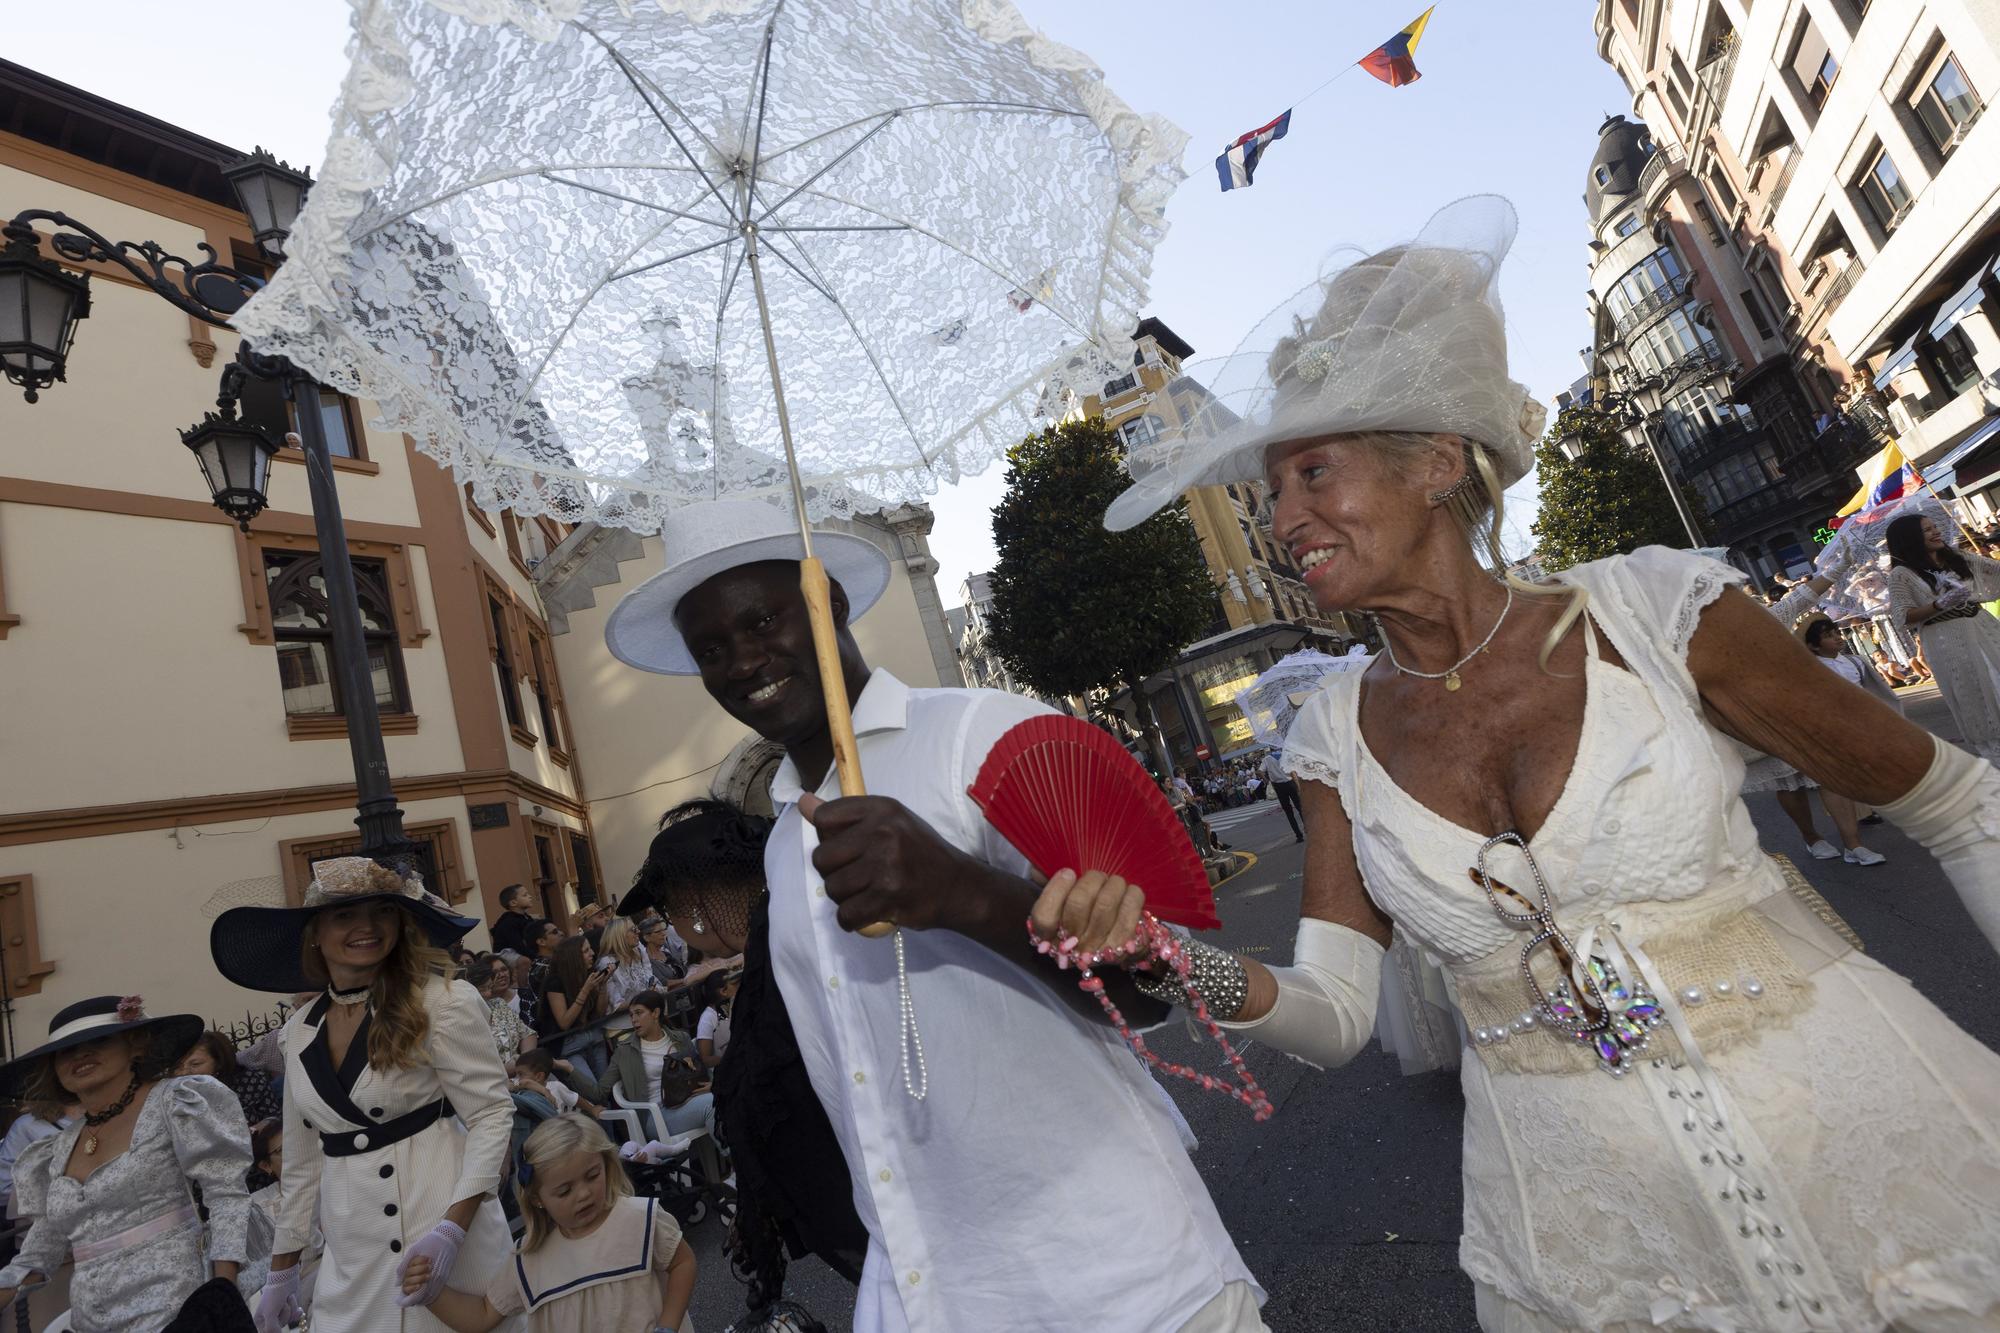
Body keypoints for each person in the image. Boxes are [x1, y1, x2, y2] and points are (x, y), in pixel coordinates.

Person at [1094, 195, 2000, 1331]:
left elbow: (1962, 806)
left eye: (1310, 475)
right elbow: (1331, 1011)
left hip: (1890, 1171)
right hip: (1603, 1254)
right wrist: (1176, 960)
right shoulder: (1327, 732)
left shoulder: (1656, 613)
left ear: (1431, 462)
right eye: (1272, 491)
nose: (1284, 517)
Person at [601, 497, 1263, 1332]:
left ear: (828, 602)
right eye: (711, 649)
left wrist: (964, 891)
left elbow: (1145, 992)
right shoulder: (781, 847)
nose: (742, 660)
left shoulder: (983, 737)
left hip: (1119, 1276)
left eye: (764, 620)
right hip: (934, 1291)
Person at [209, 856, 515, 1333]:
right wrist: (283, 1271)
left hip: (441, 1228)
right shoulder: (298, 1033)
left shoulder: (441, 1001)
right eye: (344, 915)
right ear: (314, 931)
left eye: (382, 912)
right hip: (353, 1249)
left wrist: (452, 1230)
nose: (367, 927)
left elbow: (492, 1114)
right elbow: (303, 1159)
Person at [0, 995, 253, 1330]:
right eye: (66, 1050)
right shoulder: (54, 1150)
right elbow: (39, 1253)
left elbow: (226, 1197)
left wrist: (223, 1294)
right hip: (89, 1319)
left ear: (135, 1044)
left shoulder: (176, 1102)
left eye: (99, 1041)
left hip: (178, 1309)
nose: (80, 1055)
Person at [401, 1113, 695, 1332]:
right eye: (564, 1190)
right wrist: (429, 1291)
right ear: (537, 1198)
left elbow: (682, 1262)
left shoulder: (639, 1218)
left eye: (593, 1175)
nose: (583, 1194)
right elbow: (482, 1316)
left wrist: (667, 1326)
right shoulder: (529, 1259)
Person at [1887, 511, 2000, 762]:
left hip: (1983, 626)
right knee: (1977, 694)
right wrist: (1940, 604)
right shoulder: (1902, 574)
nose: (1935, 532)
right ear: (1911, 538)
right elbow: (1903, 616)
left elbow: (1995, 570)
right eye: (1927, 530)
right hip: (1947, 638)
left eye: (1934, 527)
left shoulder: (1956, 557)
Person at [1791, 615, 1890, 865]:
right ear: (1812, 646)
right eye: (1828, 635)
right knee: (1833, 784)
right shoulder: (1808, 665)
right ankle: (1853, 845)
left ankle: (1857, 833)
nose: (1837, 637)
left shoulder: (1855, 662)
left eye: (1837, 632)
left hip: (1858, 729)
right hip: (1826, 732)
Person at [589, 991, 710, 1136]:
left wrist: (712, 1084)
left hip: (689, 1101)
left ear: (655, 1013)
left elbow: (700, 1071)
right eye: (631, 1015)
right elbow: (599, 1092)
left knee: (722, 1098)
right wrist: (570, 1069)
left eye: (639, 1013)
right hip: (656, 1116)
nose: (633, 1020)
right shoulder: (624, 1051)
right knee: (712, 1103)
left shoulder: (680, 1038)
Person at [177, 1029, 283, 1137]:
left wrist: (252, 1131)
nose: (185, 1072)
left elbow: (273, 1116)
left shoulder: (249, 1081)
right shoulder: (178, 1092)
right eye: (180, 1066)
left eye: (195, 1064)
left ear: (219, 1062)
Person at [536, 934, 611, 1081]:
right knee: (591, 1091)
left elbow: (599, 1013)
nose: (592, 953)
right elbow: (564, 1022)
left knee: (605, 1089)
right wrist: (585, 991)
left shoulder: (587, 975)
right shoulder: (554, 982)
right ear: (573, 957)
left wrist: (602, 986)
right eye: (586, 951)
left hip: (594, 1038)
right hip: (570, 1045)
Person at [473, 953, 536, 1073]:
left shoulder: (497, 1004)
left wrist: (525, 1061)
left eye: (488, 987)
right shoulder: (466, 1017)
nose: (488, 994)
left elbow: (527, 1033)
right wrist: (512, 1069)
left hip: (527, 1069)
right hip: (499, 1080)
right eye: (482, 989)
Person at [693, 971, 736, 1068]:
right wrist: (733, 1057)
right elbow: (706, 1060)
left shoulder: (737, 1005)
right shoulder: (707, 1018)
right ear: (723, 991)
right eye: (735, 984)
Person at [1263, 746, 1305, 842]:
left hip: (1279, 787)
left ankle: (1298, 835)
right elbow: (1293, 773)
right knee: (1300, 807)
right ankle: (1308, 829)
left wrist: (1268, 780)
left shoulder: (1267, 759)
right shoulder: (1285, 755)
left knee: (1289, 812)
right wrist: (1298, 786)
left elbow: (1260, 771)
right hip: (1290, 784)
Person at [487, 886, 538, 960]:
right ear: (513, 903)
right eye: (525, 895)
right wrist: (537, 957)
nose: (530, 896)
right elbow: (519, 946)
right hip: (507, 956)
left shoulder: (527, 918)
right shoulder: (508, 923)